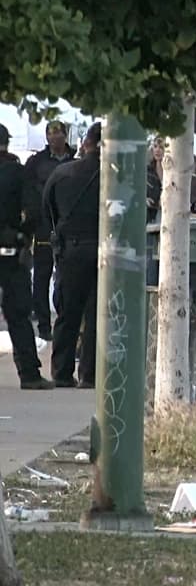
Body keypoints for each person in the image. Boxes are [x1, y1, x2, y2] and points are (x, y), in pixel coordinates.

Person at [43, 122, 102, 388]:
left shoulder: (62, 173)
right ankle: (89, 374)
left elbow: (47, 209)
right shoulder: (116, 178)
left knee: (67, 313)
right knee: (96, 315)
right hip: (102, 249)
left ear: (86, 143)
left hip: (70, 249)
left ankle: (62, 371)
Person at [0, 124, 55, 389]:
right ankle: (29, 374)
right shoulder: (17, 173)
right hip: (10, 252)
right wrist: (21, 234)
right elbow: (33, 211)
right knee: (18, 315)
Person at [24, 121, 76, 341]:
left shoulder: (75, 162)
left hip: (69, 226)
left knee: (67, 277)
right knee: (42, 276)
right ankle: (44, 325)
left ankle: (65, 321)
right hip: (44, 226)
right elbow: (27, 190)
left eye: (58, 133)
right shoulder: (36, 162)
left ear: (65, 135)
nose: (54, 138)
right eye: (50, 134)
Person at [145, 137, 164, 224]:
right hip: (150, 212)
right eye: (155, 146)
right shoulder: (148, 170)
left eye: (161, 147)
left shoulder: (172, 172)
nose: (157, 150)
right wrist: (144, 199)